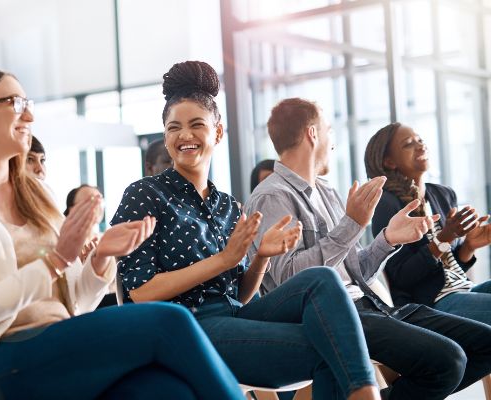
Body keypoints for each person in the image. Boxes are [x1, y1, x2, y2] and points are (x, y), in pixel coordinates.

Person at [0, 68, 244, 399]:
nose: (29, 114)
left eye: (27, 103)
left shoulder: (37, 194)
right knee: (168, 322)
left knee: (168, 391)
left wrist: (102, 257)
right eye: (15, 103)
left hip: (61, 338)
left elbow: (77, 303)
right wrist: (55, 260)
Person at [112, 61, 380, 400]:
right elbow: (140, 293)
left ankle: (365, 392)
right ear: (165, 137)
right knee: (332, 349)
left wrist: (262, 257)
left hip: (233, 315)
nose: (184, 136)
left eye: (197, 125)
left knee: (322, 280)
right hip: (185, 328)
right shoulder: (144, 194)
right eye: (173, 128)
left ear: (218, 133)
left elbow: (239, 296)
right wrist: (224, 259)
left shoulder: (226, 205)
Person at [246, 97, 491, 399]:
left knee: (485, 343)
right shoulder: (272, 197)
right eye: (329, 130)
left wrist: (388, 239)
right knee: (449, 361)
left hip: (372, 305)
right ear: (313, 134)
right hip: (335, 315)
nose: (332, 140)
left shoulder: (327, 191)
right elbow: (291, 283)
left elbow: (355, 270)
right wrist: (351, 223)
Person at [366, 122, 491, 326]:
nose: (420, 146)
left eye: (420, 140)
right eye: (408, 144)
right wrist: (445, 238)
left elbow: (447, 270)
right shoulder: (387, 204)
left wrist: (469, 246)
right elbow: (402, 277)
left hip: (464, 289)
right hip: (432, 304)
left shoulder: (442, 194)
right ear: (389, 162)